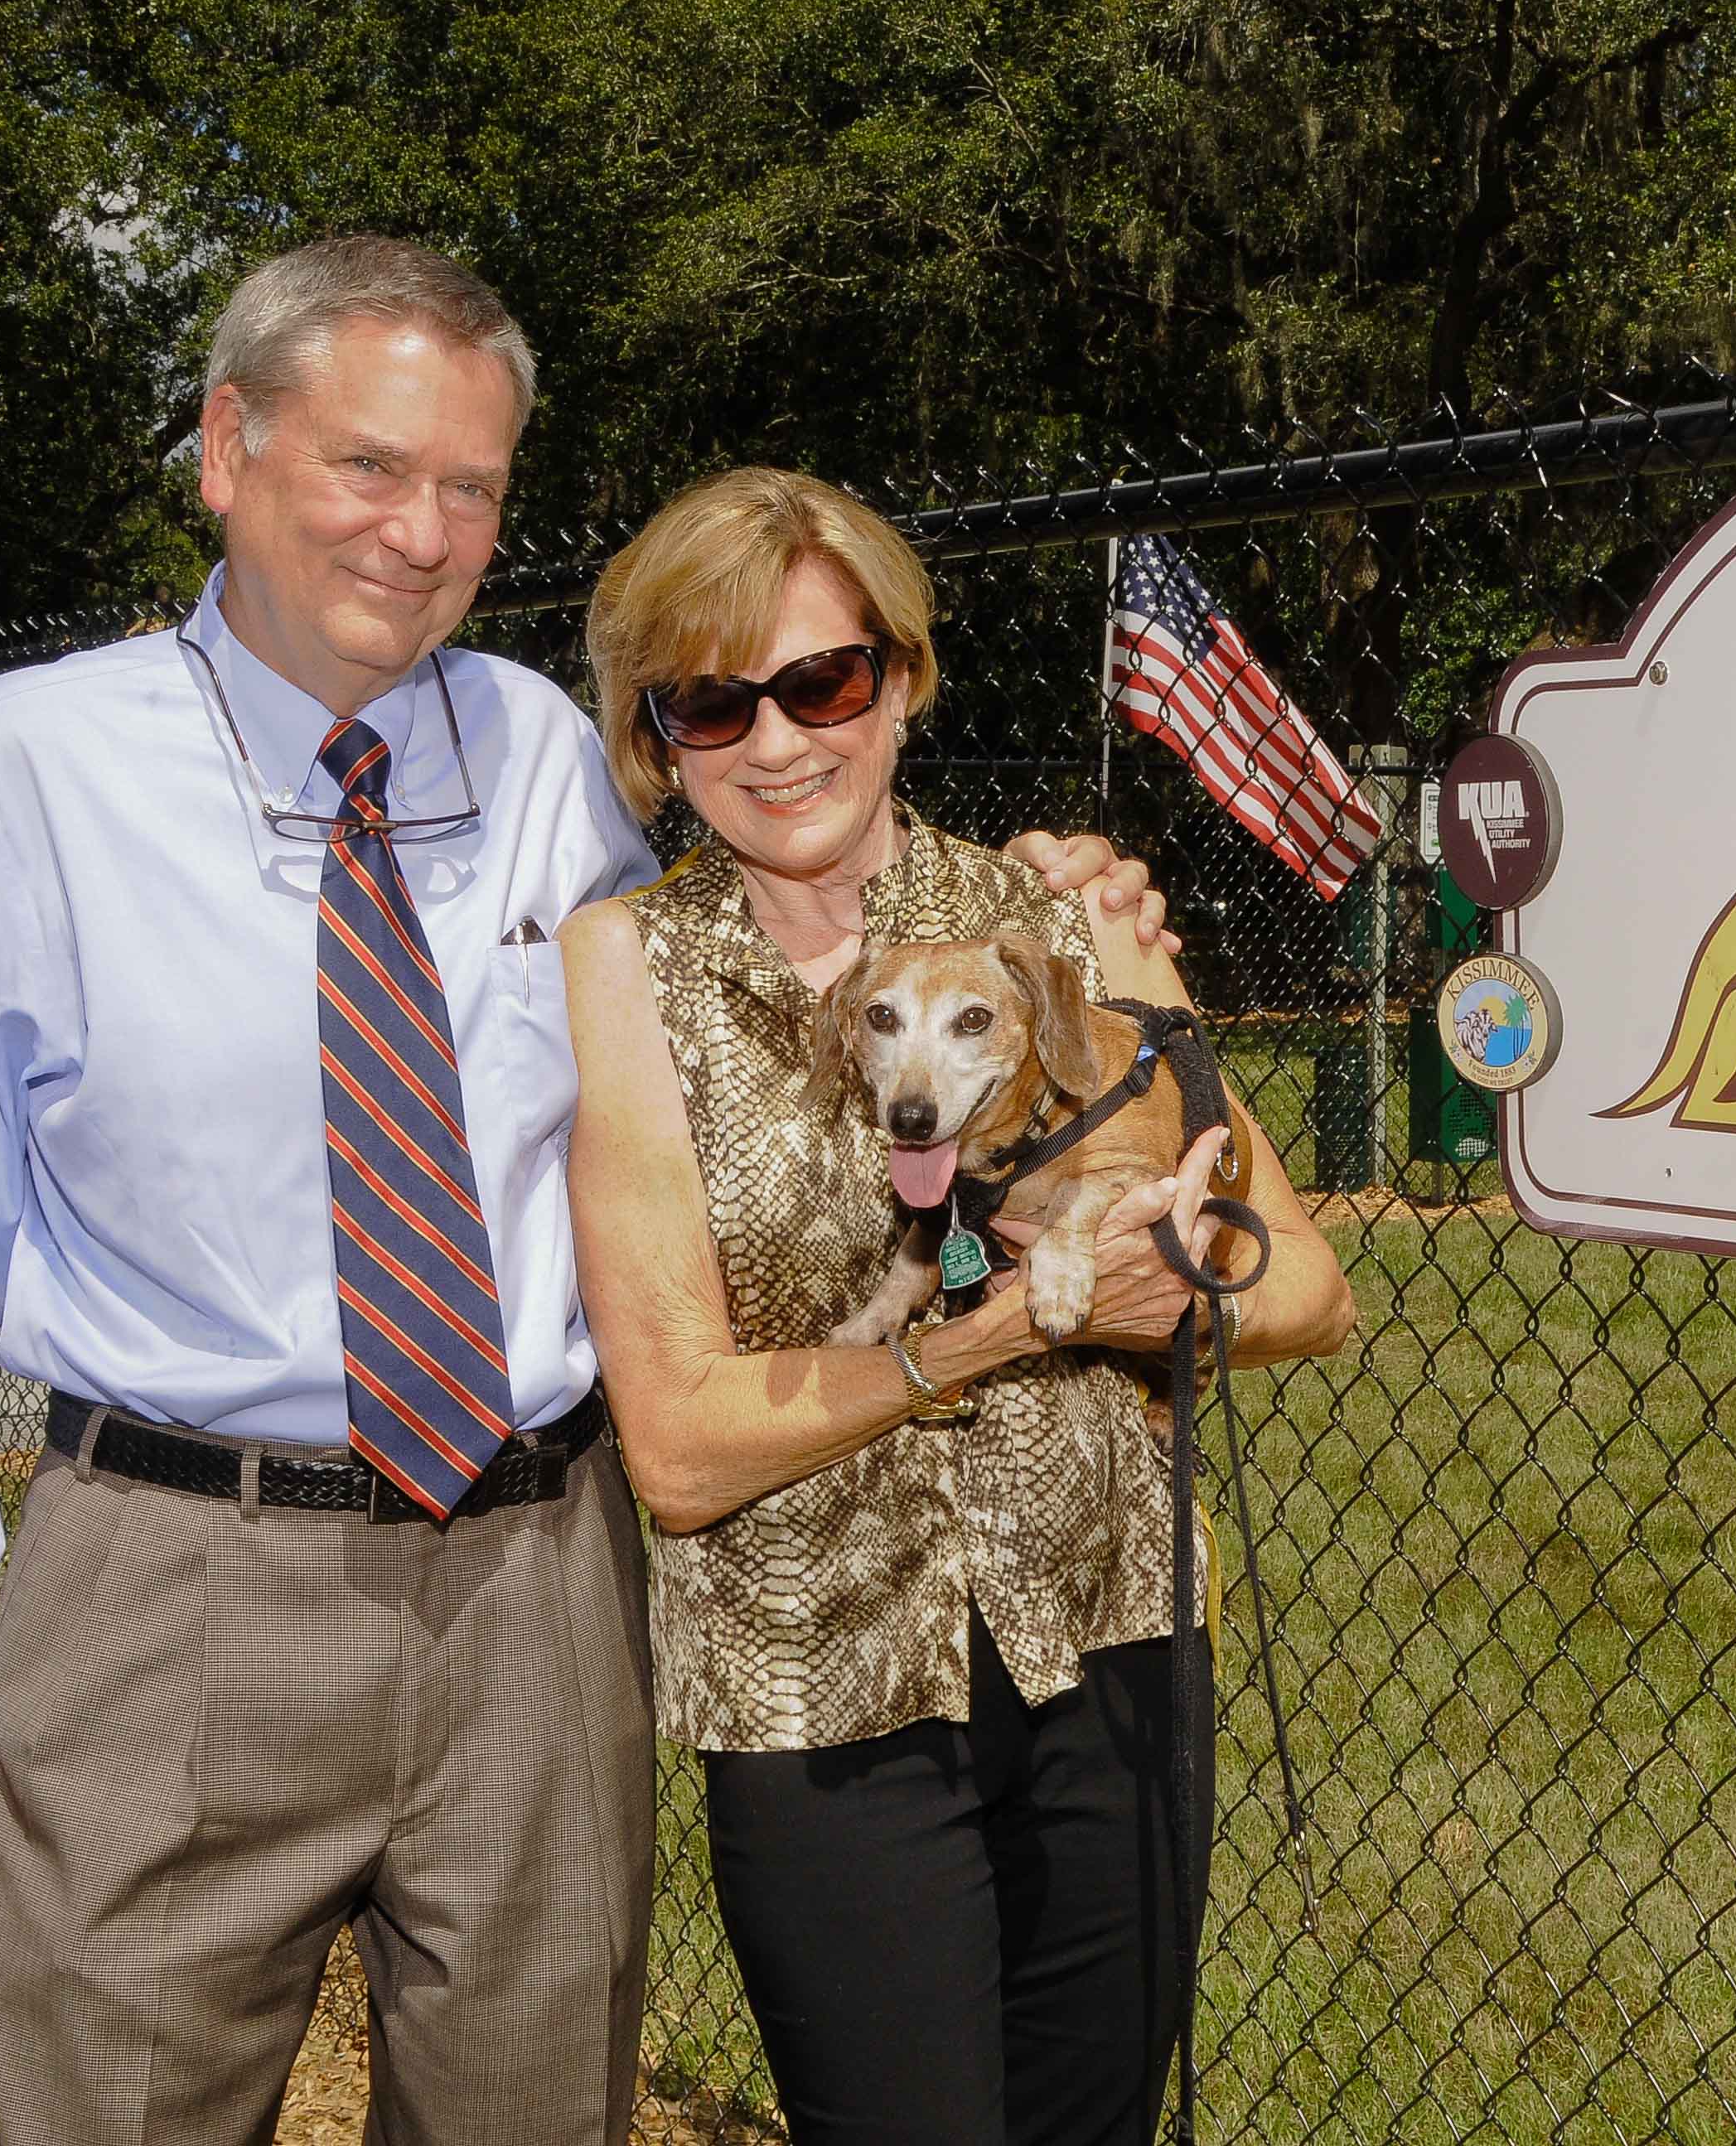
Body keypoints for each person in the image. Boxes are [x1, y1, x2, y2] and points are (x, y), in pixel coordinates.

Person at [0, 238, 1170, 2146]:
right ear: (223, 448)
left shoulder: (538, 755)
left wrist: (1053, 904)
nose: (417, 528)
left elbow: (783, 925)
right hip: (178, 1588)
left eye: (468, 486)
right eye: (367, 465)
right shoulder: (24, 770)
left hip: (535, 1585)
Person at [560, 466, 1356, 2146]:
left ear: (900, 679)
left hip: (1117, 1643)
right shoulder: (625, 969)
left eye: (821, 682)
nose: (776, 742)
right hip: (817, 1689)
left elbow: (1296, 1285)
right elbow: (685, 1450)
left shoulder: (1063, 927)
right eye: (714, 700)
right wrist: (990, 1329)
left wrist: (1150, 1297)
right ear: (656, 732)